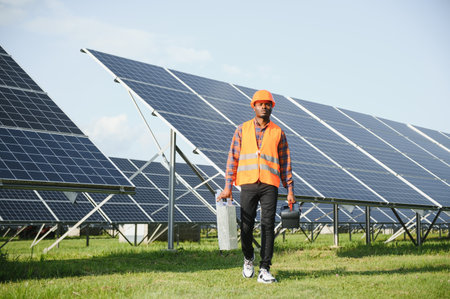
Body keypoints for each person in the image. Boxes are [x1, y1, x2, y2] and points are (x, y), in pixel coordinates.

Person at [217, 89, 295, 284]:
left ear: (271, 107)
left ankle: (265, 269)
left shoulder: (278, 132)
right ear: (254, 106)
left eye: (267, 104)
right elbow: (232, 159)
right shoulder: (241, 129)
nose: (264, 106)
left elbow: (285, 162)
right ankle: (248, 259)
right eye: (260, 103)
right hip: (248, 183)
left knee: (268, 226)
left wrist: (290, 190)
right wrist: (228, 186)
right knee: (246, 226)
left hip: (270, 184)